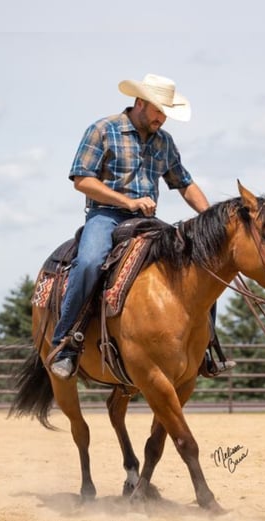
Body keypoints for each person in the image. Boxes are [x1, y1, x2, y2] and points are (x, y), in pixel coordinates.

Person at [47, 73, 235, 380]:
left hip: (147, 222)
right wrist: (126, 201)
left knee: (199, 260)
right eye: (159, 110)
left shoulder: (164, 142)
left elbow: (184, 184)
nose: (162, 118)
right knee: (90, 262)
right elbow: (82, 180)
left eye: (166, 113)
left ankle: (206, 348)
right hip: (105, 216)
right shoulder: (103, 130)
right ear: (140, 103)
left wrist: (212, 221)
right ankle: (65, 343)